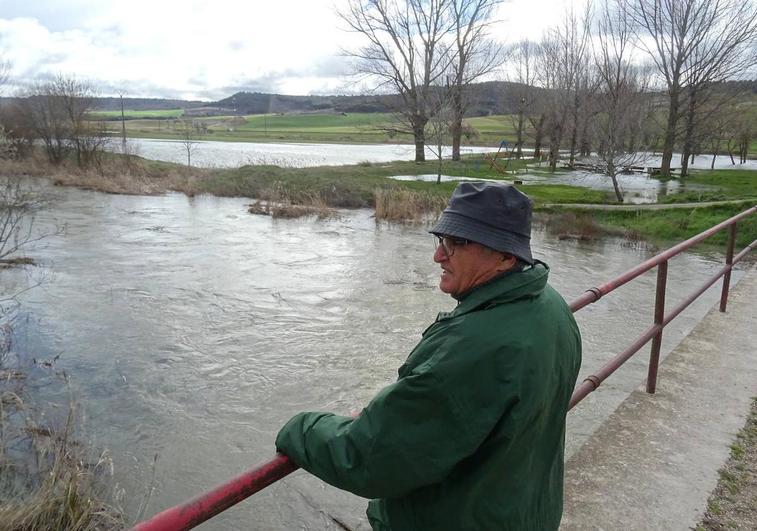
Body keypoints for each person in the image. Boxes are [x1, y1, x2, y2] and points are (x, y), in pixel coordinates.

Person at [276, 182, 582, 530]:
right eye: (442, 240)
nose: (439, 255)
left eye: (458, 243)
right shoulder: (552, 308)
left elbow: (370, 459)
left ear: (506, 256)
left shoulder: (473, 347)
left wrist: (300, 427)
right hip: (526, 515)